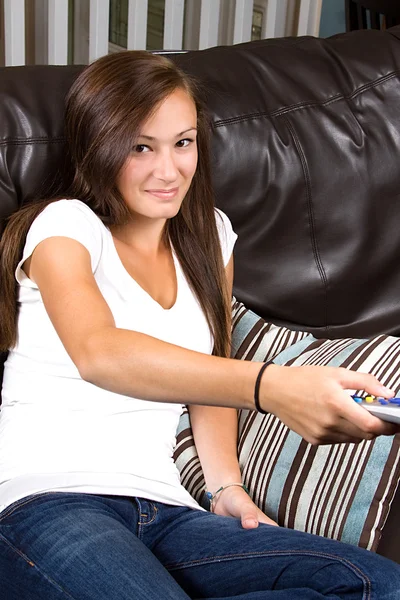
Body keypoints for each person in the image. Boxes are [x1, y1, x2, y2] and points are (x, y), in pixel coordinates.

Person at [0, 50, 399, 600]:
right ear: (99, 146)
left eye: (182, 142)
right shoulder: (65, 226)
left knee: (376, 584)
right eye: (141, 147)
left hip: (168, 512)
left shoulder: (210, 235)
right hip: (47, 503)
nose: (169, 171)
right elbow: (100, 352)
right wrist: (269, 387)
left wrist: (225, 487)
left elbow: (209, 372)